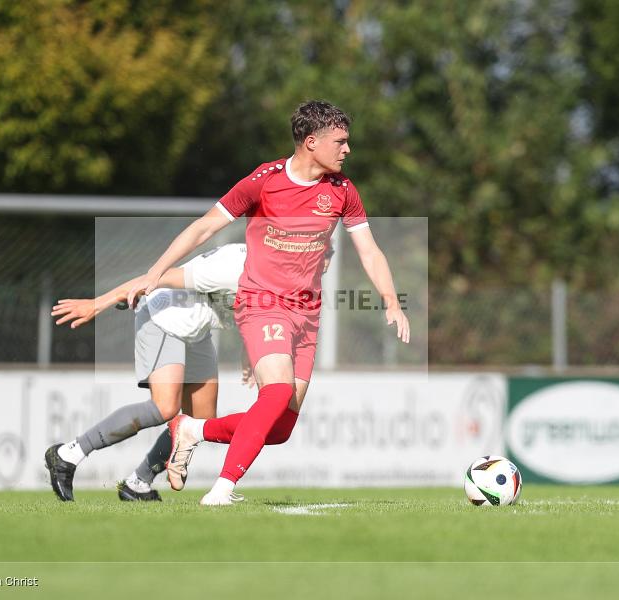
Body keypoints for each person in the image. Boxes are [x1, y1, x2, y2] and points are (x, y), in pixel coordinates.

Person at [126, 100, 410, 506]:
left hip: (307, 315)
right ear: (311, 142)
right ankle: (222, 489)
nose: (347, 150)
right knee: (274, 394)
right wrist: (156, 271)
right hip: (262, 303)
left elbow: (369, 250)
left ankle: (191, 430)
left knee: (279, 429)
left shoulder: (343, 191)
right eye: (340, 142)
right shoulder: (265, 181)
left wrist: (390, 301)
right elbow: (206, 225)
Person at [44, 243, 247, 502]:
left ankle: (138, 483)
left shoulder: (271, 270)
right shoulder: (233, 265)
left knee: (200, 420)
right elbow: (155, 277)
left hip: (195, 328)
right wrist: (98, 303)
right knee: (164, 408)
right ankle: (68, 454)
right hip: (164, 316)